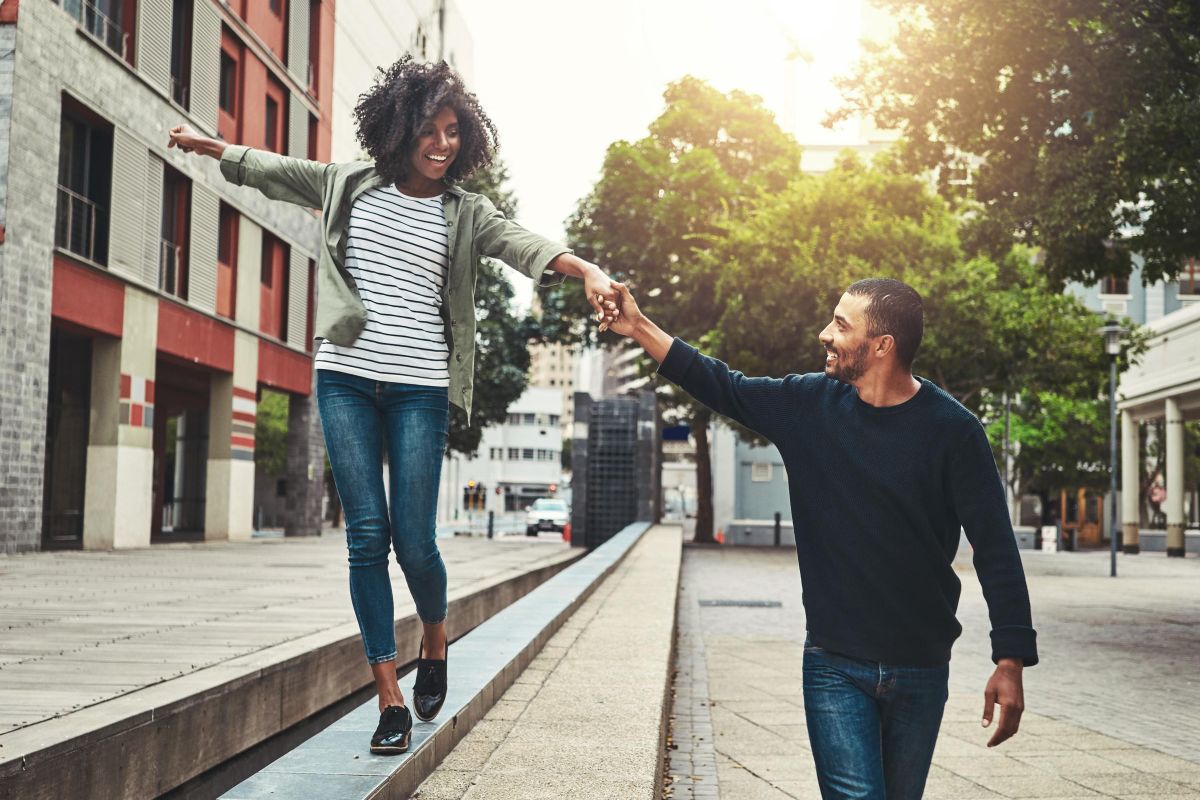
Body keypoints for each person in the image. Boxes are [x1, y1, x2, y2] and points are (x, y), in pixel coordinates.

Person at [168, 57, 620, 755]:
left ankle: (435, 641)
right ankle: (387, 697)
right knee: (365, 537)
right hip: (345, 376)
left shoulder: (466, 212)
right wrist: (215, 150)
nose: (442, 145)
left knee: (415, 539)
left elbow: (522, 245)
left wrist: (586, 268)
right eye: (429, 131)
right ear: (399, 129)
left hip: (420, 387)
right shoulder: (350, 183)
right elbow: (275, 168)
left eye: (452, 132)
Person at [604, 278, 1036, 799]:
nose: (824, 333)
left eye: (841, 325)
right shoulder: (809, 405)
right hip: (834, 663)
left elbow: (995, 547)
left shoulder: (954, 431)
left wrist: (1009, 660)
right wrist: (636, 325)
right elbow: (722, 383)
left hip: (921, 664)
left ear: (881, 346)